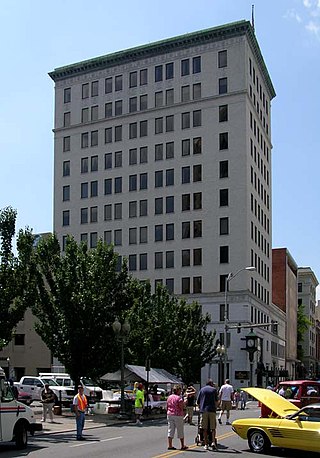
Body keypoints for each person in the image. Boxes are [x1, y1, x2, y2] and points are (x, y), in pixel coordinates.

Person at [197, 379, 219, 451]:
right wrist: (216, 408)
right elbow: (216, 401)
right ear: (211, 384)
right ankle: (213, 442)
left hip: (204, 410)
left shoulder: (202, 390)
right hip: (212, 410)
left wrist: (200, 408)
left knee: (204, 428)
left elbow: (198, 401)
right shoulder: (214, 390)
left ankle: (206, 444)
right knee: (213, 428)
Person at [166, 385, 188, 451]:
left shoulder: (169, 397)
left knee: (170, 429)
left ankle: (170, 445)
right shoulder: (179, 398)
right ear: (178, 390)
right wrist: (184, 403)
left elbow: (167, 405)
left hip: (170, 414)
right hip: (178, 415)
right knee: (180, 430)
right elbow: (181, 407)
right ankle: (182, 445)